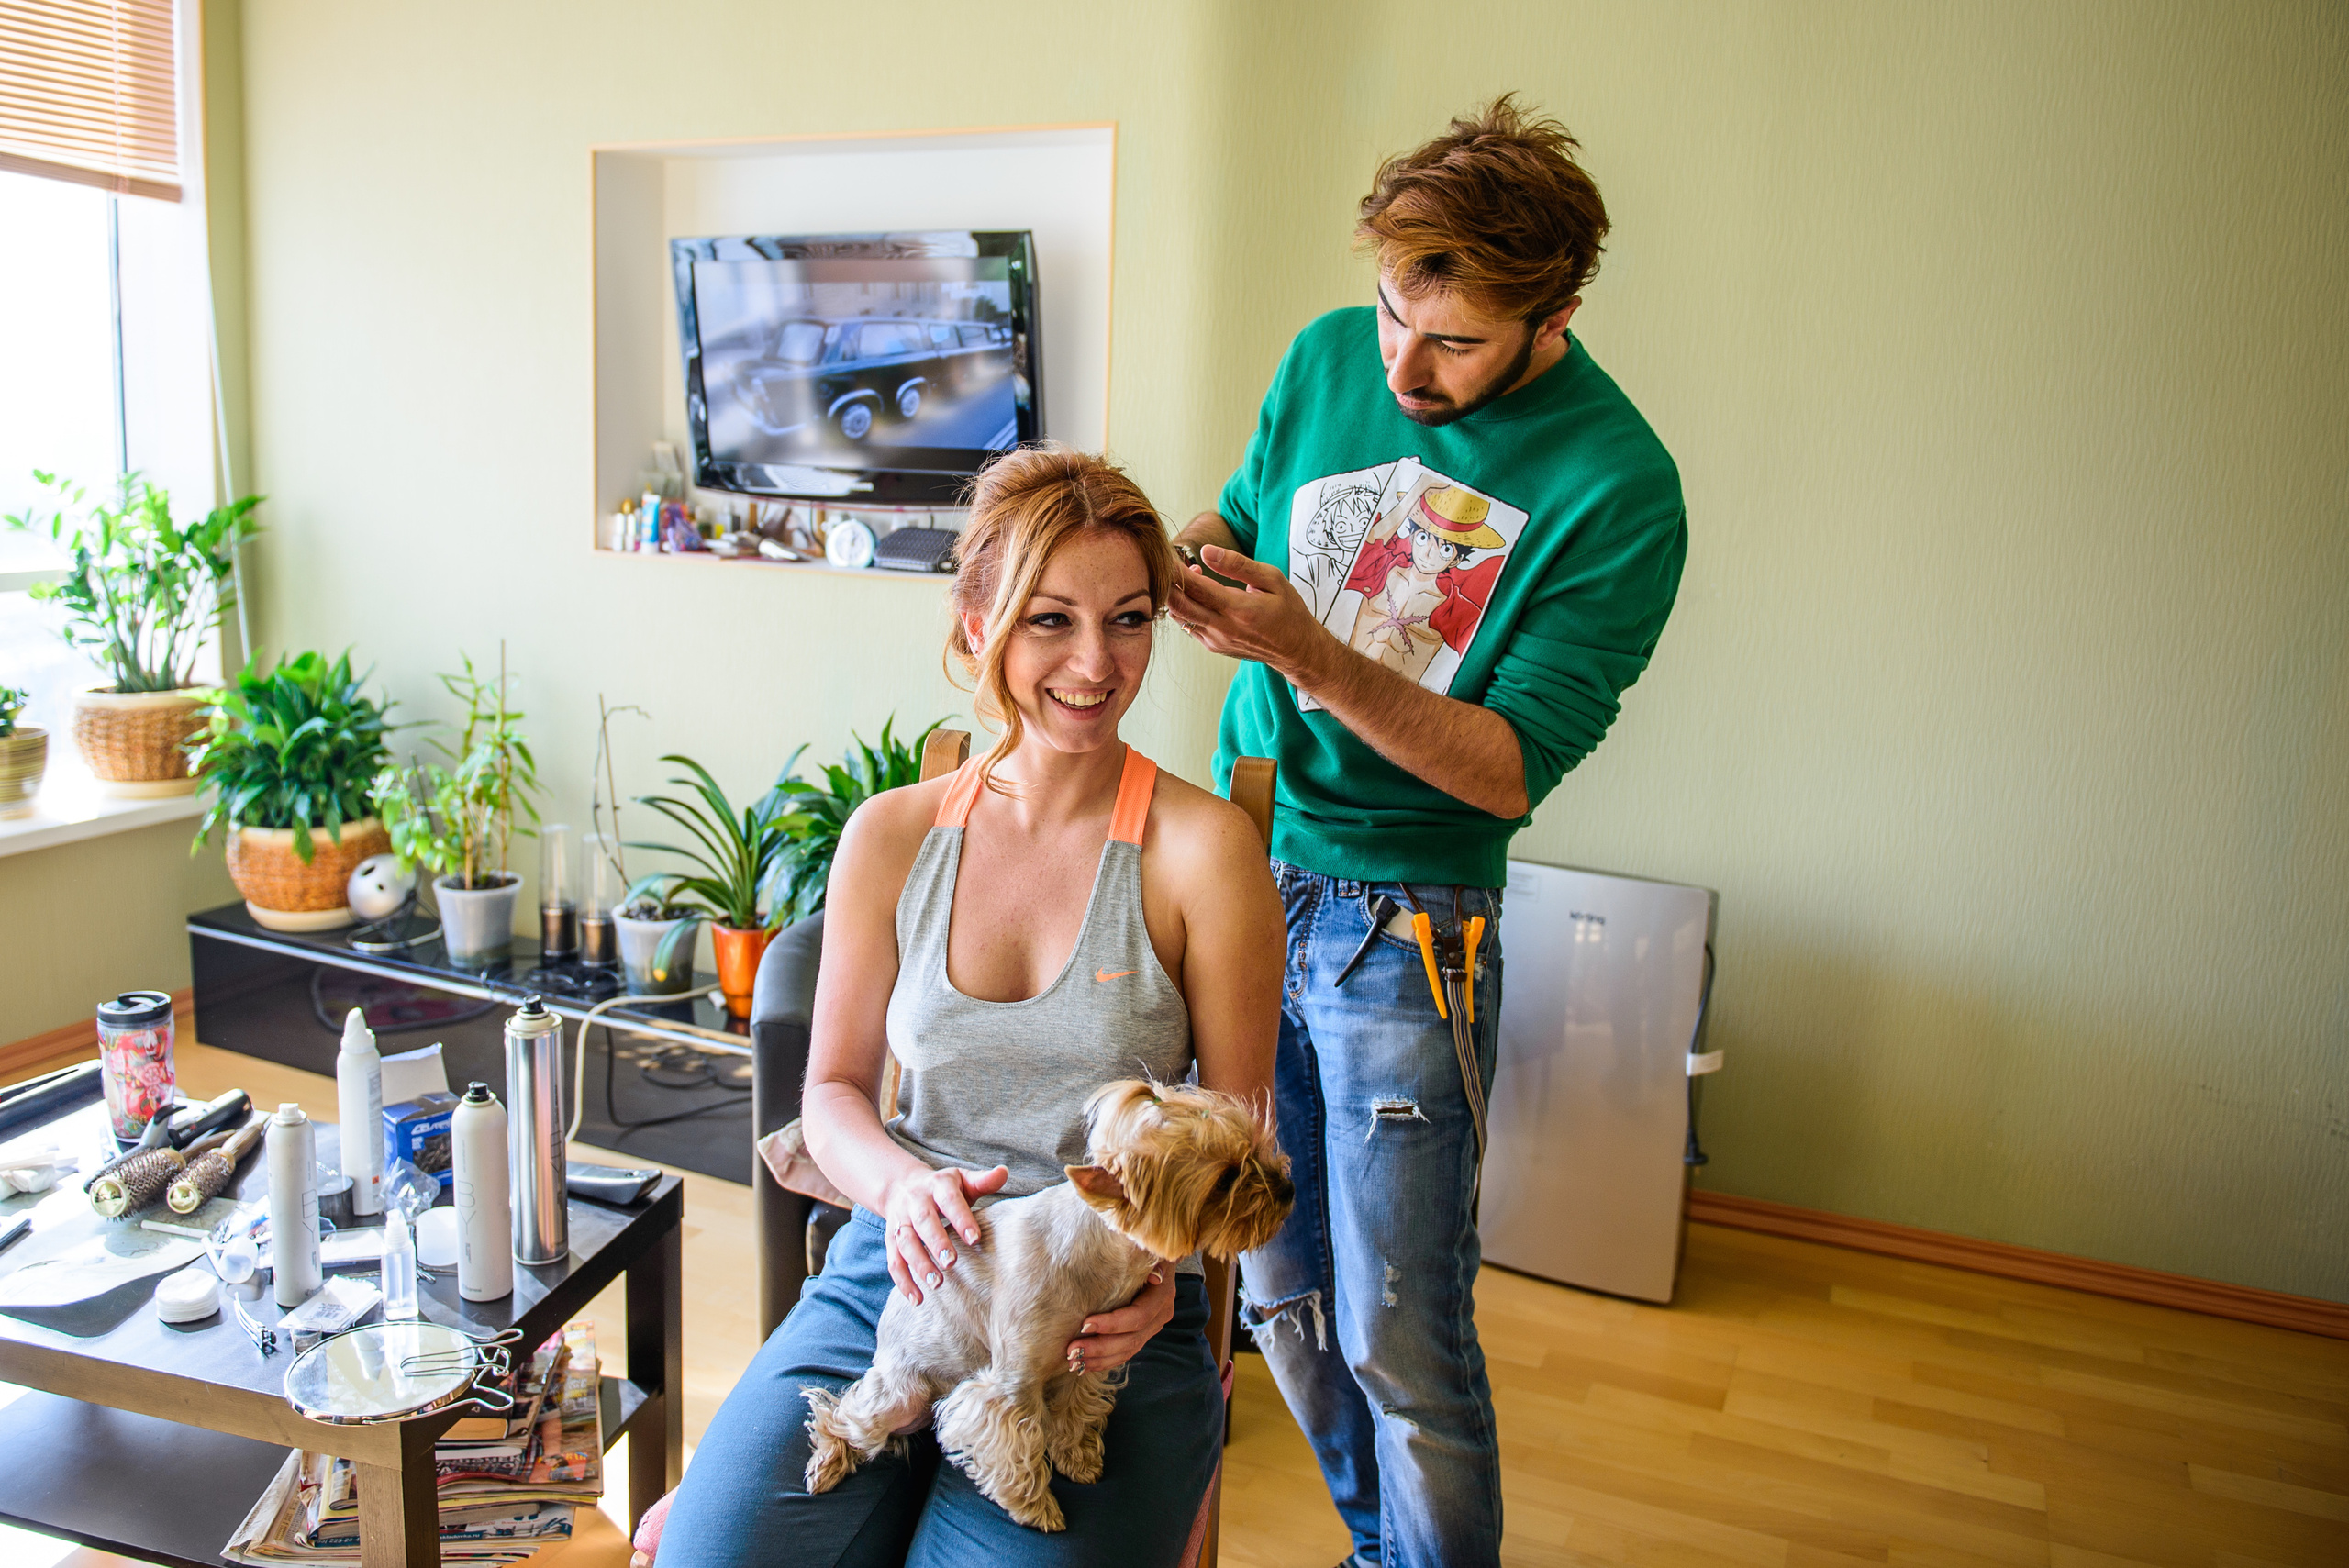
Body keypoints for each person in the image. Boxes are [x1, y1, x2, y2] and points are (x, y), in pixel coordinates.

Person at [1168, 95, 1688, 1568]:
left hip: (1408, 924)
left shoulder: (1621, 486)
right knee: (1280, 1296)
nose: (1401, 366)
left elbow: (1510, 768)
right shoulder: (1326, 355)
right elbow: (1233, 518)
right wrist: (1176, 562)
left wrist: (1312, 656)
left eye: (1453, 342)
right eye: (1395, 311)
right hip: (1241, 872)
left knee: (1401, 1329)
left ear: (1553, 318)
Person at [654, 445, 1286, 1567]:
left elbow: (1241, 1137)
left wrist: (1163, 1285)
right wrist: (900, 1191)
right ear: (975, 622)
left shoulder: (1204, 850)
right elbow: (832, 1090)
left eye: (1127, 620)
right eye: (1050, 620)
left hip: (1110, 1316)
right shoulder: (891, 835)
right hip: (903, 1268)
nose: (1095, 662)